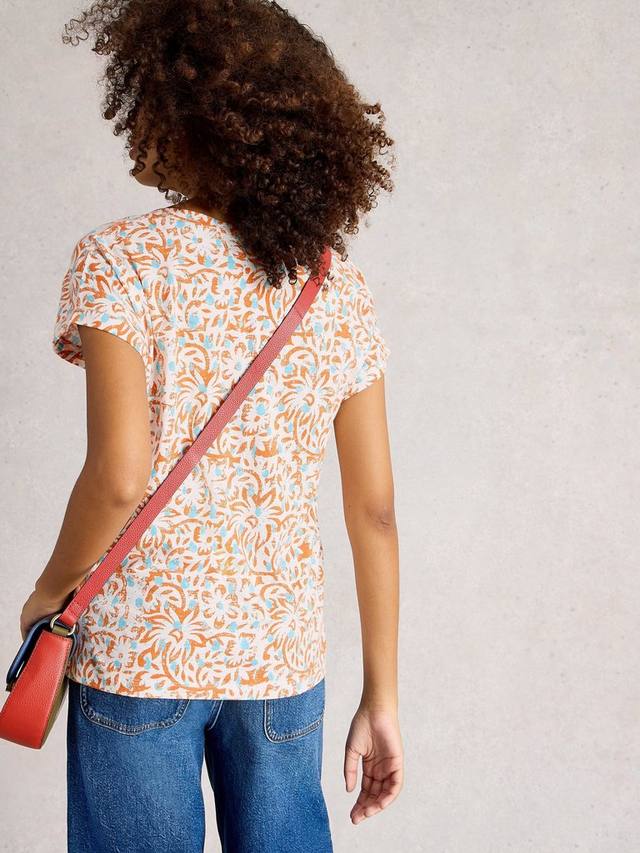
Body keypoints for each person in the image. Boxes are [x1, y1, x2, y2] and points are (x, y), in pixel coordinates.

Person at [19, 1, 402, 851]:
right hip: (279, 660)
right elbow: (374, 511)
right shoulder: (336, 287)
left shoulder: (120, 260)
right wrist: (382, 694)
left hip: (141, 650)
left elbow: (119, 475)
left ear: (178, 117)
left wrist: (51, 591)